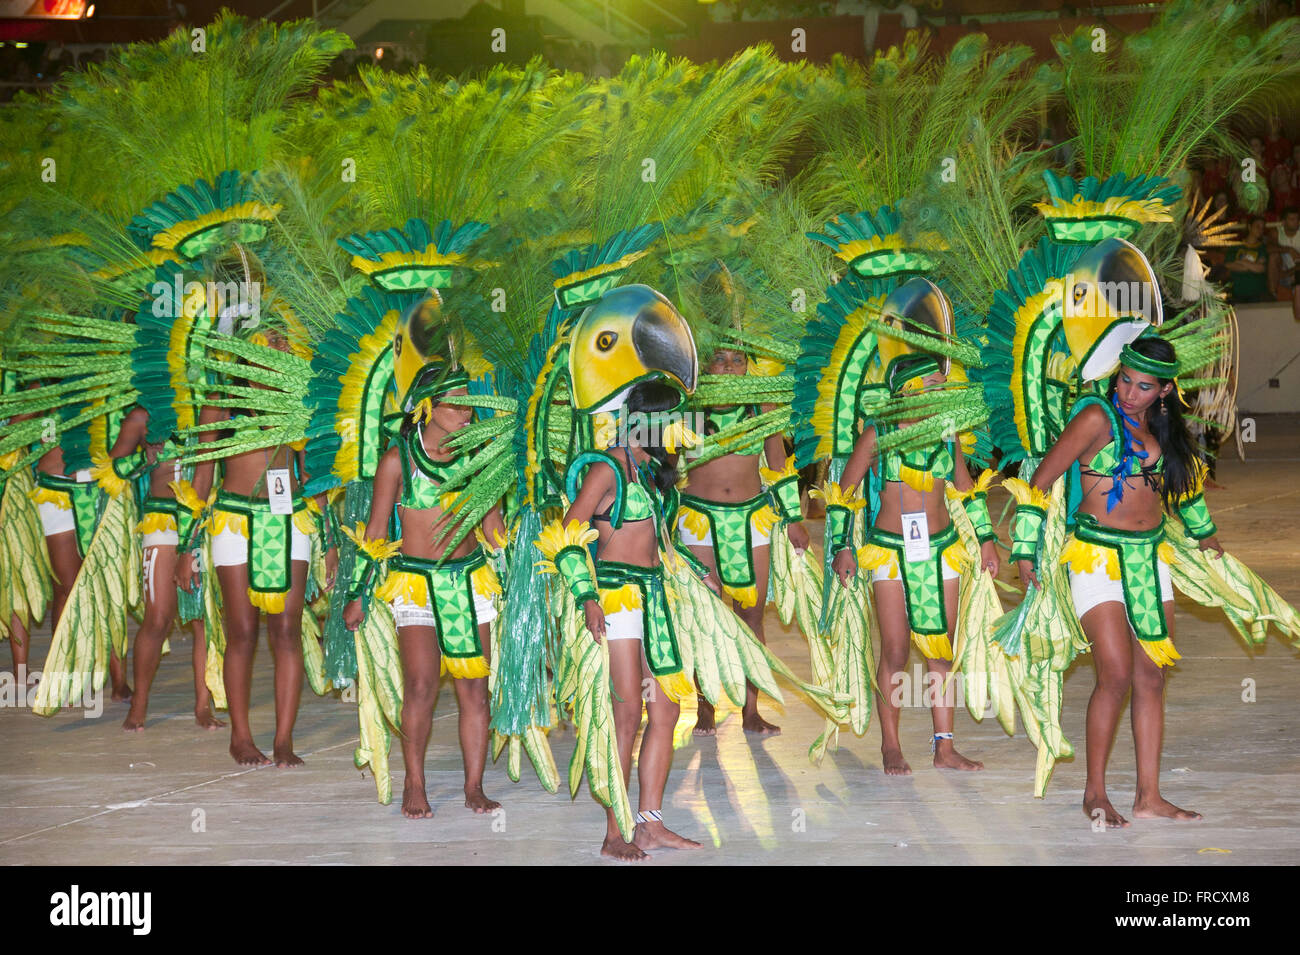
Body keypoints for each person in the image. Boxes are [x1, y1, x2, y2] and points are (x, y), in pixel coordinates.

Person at [1014, 335, 1220, 827]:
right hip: (1095, 557)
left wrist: (1207, 535)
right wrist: (1024, 550)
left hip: (1151, 560)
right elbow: (1038, 483)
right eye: (1125, 380)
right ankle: (1095, 792)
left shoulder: (1167, 433)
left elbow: (1185, 490)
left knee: (1152, 677)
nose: (1129, 393)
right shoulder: (1094, 418)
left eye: (1144, 386)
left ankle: (1148, 795)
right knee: (1116, 675)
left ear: (1165, 391)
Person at [343, 361, 504, 819]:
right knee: (420, 686)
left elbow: (492, 529)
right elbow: (376, 531)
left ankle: (474, 785)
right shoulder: (398, 460)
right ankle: (415, 781)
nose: (466, 412)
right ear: (428, 406)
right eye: (455, 404)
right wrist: (358, 590)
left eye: (469, 404)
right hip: (415, 584)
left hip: (470, 580)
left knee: (476, 689)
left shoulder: (478, 457)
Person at [829, 355, 999, 776]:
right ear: (907, 389)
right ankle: (891, 744)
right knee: (896, 650)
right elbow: (843, 492)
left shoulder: (947, 434)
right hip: (889, 552)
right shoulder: (878, 433)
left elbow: (964, 489)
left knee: (941, 650)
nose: (940, 392)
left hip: (941, 550)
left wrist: (987, 538)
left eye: (942, 384)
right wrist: (840, 546)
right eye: (932, 384)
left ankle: (945, 747)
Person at [560, 379, 701, 860]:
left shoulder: (652, 470)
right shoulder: (606, 468)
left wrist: (698, 572)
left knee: (666, 710)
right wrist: (586, 596)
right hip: (616, 597)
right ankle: (613, 832)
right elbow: (566, 535)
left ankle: (649, 824)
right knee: (626, 715)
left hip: (655, 597)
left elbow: (659, 541)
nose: (676, 426)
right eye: (669, 417)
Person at [176, 329, 332, 767]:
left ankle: (284, 739)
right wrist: (186, 547)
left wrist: (332, 542)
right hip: (232, 519)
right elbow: (202, 480)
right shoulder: (220, 403)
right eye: (268, 342)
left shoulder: (299, 400)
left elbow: (314, 475)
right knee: (240, 630)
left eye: (283, 343)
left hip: (290, 519)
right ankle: (241, 737)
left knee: (287, 630)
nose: (278, 348)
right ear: (244, 352)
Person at [677, 347, 810, 737]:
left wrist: (793, 518)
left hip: (752, 519)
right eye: (719, 359)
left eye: (738, 360)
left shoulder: (761, 405)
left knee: (752, 617)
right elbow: (663, 463)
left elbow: (778, 465)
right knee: (705, 617)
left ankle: (752, 709)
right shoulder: (689, 406)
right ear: (704, 364)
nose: (729, 367)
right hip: (698, 519)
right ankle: (705, 705)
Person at [99, 406, 222, 731]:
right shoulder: (144, 415)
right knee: (158, 617)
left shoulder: (215, 406)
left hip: (204, 521)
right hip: (162, 519)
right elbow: (110, 471)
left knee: (201, 620)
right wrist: (144, 460)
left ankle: (202, 704)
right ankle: (139, 703)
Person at [1224, 215, 1271, 303]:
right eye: (1257, 226)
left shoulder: (1262, 248)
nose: (1260, 230)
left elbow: (1260, 268)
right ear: (1249, 227)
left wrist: (1240, 262)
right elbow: (1228, 265)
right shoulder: (1235, 246)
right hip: (1236, 293)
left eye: (1262, 227)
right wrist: (1252, 265)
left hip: (1257, 294)